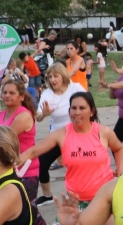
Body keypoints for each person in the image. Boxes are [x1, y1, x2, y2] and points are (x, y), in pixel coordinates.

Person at [20, 92, 123, 225]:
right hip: (74, 200)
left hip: (104, 197)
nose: (77, 112)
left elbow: (118, 148)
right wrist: (14, 161)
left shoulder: (103, 132)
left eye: (82, 108)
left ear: (91, 111)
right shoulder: (63, 134)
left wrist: (120, 169)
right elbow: (35, 150)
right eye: (73, 108)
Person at [0, 79, 56, 225]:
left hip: (26, 169)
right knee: (10, 210)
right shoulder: (3, 113)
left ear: (21, 96)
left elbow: (1, 137)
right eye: (5, 92)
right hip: (7, 168)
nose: (7, 95)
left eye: (12, 93)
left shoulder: (23, 115)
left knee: (29, 209)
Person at [32, 63, 85, 206]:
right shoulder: (47, 94)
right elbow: (38, 117)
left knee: (77, 165)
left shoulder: (75, 88)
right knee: (42, 162)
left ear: (63, 76)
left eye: (56, 76)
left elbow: (88, 107)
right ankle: (47, 196)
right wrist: (44, 113)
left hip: (78, 134)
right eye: (49, 77)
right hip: (58, 135)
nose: (52, 79)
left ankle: (80, 194)